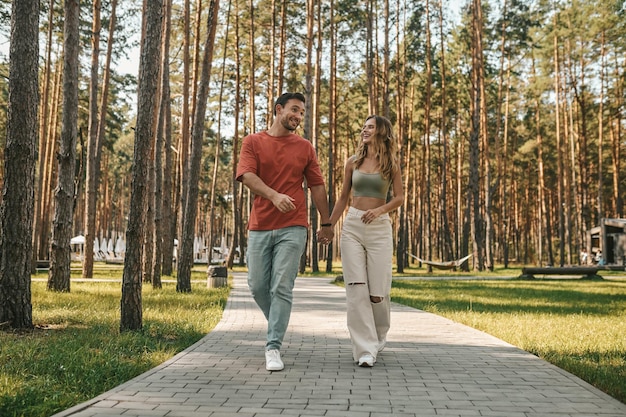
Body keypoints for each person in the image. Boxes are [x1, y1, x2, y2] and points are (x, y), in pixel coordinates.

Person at [236, 92, 334, 372]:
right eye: (294, 110)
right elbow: (247, 176)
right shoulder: (253, 142)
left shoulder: (305, 147)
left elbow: (317, 186)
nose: (299, 116)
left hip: (294, 226)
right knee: (256, 286)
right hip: (260, 226)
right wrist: (274, 196)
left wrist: (326, 223)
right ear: (278, 110)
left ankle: (273, 347)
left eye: (302, 112)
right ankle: (279, 321)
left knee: (281, 286)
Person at [325, 114, 403, 367]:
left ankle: (379, 335)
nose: (364, 130)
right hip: (353, 226)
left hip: (379, 227)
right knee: (356, 289)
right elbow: (342, 198)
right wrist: (328, 226)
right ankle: (364, 350)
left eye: (370, 127)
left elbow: (399, 198)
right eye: (364, 126)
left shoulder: (391, 162)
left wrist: (380, 211)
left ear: (382, 131)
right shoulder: (352, 162)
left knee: (377, 292)